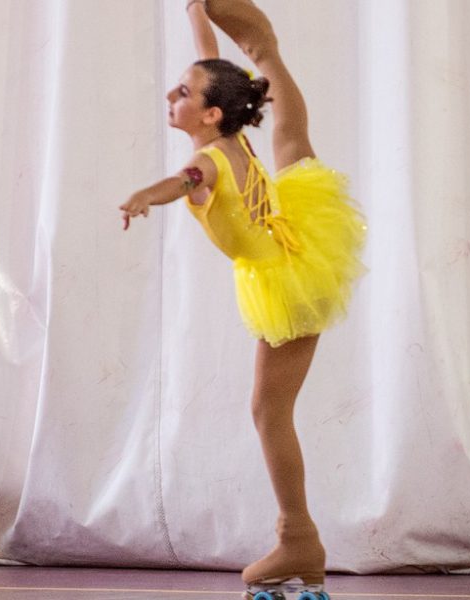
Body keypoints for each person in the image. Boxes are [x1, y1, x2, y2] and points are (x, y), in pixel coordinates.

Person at [119, 0, 367, 595]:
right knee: (291, 139)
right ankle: (264, 54)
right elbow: (209, 66)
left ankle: (298, 537)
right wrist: (195, 12)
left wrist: (146, 195)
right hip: (297, 230)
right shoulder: (226, 131)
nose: (171, 95)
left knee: (268, 412)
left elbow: (184, 181)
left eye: (182, 92)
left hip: (286, 277)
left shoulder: (206, 159)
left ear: (210, 113)